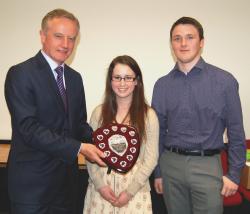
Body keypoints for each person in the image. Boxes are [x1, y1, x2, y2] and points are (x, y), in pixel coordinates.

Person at [4, 8, 105, 214]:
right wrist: (80, 148)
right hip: (31, 187)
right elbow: (29, 129)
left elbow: (78, 124)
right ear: (42, 36)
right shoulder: (21, 73)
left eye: (72, 38)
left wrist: (107, 142)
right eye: (58, 36)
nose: (66, 44)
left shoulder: (75, 78)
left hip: (66, 187)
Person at [152, 17, 246, 214]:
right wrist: (158, 173)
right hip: (171, 166)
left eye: (190, 37)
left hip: (208, 166)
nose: (183, 43)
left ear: (201, 42)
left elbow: (236, 131)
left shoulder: (225, 82)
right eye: (177, 38)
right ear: (172, 44)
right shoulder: (162, 85)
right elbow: (157, 134)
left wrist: (235, 174)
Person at [83, 55, 159, 213]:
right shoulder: (98, 113)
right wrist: (100, 185)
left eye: (128, 78)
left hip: (135, 192)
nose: (122, 83)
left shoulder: (148, 115)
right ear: (110, 81)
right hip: (101, 192)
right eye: (117, 77)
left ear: (137, 81)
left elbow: (151, 159)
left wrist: (130, 192)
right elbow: (90, 153)